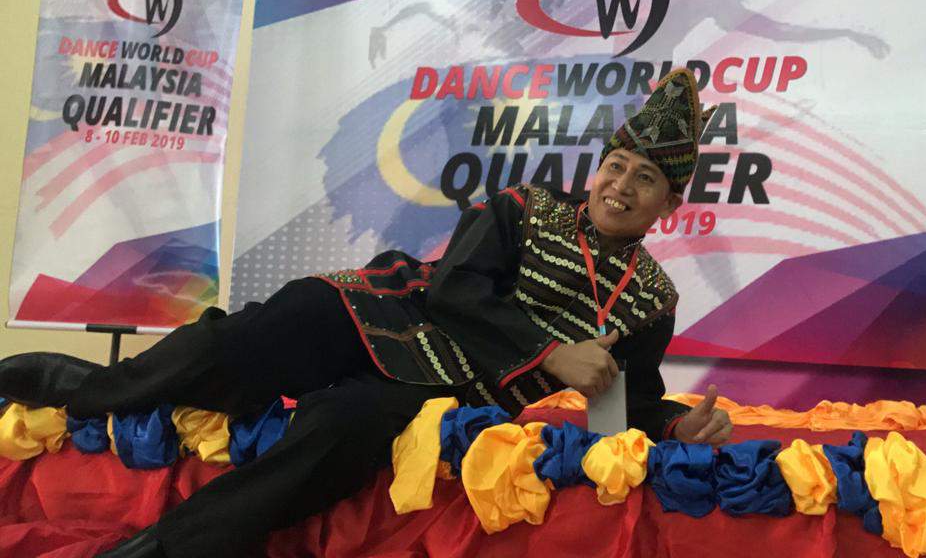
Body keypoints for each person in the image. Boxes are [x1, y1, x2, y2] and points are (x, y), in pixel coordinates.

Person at [0, 68, 733, 558]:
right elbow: (455, 289)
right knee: (262, 331)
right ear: (597, 168)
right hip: (392, 311)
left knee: (339, 431)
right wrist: (552, 355)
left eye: (644, 179)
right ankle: (85, 388)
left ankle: (166, 547)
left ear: (668, 205)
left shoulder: (651, 298)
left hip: (450, 389)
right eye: (616, 166)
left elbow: (628, 396)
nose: (620, 186)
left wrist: (673, 425)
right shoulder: (526, 206)